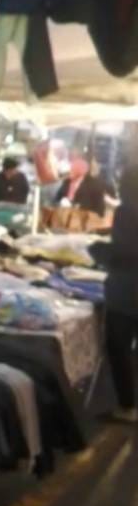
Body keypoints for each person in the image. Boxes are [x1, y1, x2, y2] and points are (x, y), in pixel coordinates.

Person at [104, 166, 138, 422]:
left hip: (126, 290)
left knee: (119, 347)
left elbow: (123, 249)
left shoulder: (126, 211)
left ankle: (128, 407)